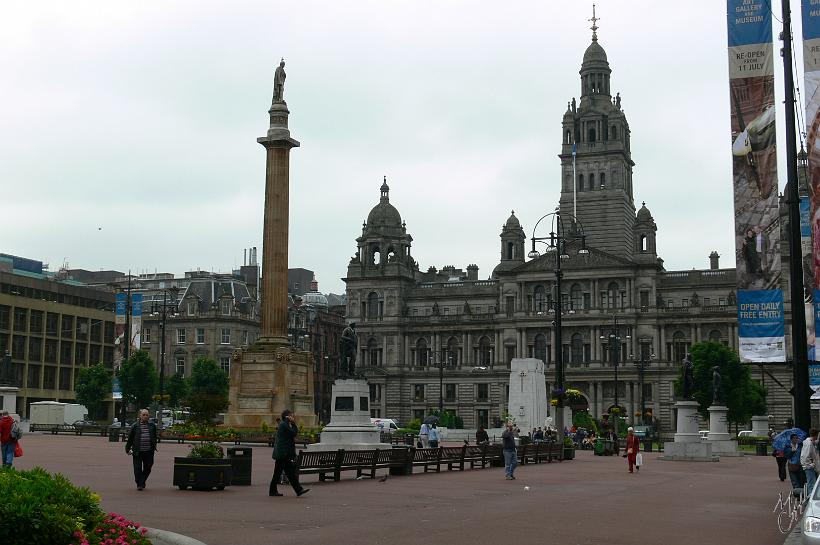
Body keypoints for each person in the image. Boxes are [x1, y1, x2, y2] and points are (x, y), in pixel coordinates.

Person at [269, 409, 309, 497]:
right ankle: (298, 490)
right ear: (287, 416)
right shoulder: (284, 425)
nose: (293, 417)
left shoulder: (285, 424)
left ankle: (273, 491)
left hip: (283, 453)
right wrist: (293, 423)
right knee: (288, 473)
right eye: (291, 415)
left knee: (281, 473)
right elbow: (294, 433)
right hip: (283, 454)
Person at [124, 409, 158, 490]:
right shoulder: (135, 426)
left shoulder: (152, 425)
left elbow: (154, 436)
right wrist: (127, 449)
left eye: (147, 415)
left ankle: (142, 481)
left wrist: (154, 445)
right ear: (140, 416)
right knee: (137, 469)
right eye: (144, 415)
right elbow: (130, 438)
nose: (145, 416)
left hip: (149, 451)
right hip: (137, 451)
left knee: (148, 467)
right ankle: (139, 484)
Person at [802, 429, 820, 494]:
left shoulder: (811, 442)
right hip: (810, 467)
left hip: (812, 466)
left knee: (813, 483)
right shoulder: (809, 443)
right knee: (811, 483)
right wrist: (811, 465)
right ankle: (810, 498)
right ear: (816, 435)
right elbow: (805, 456)